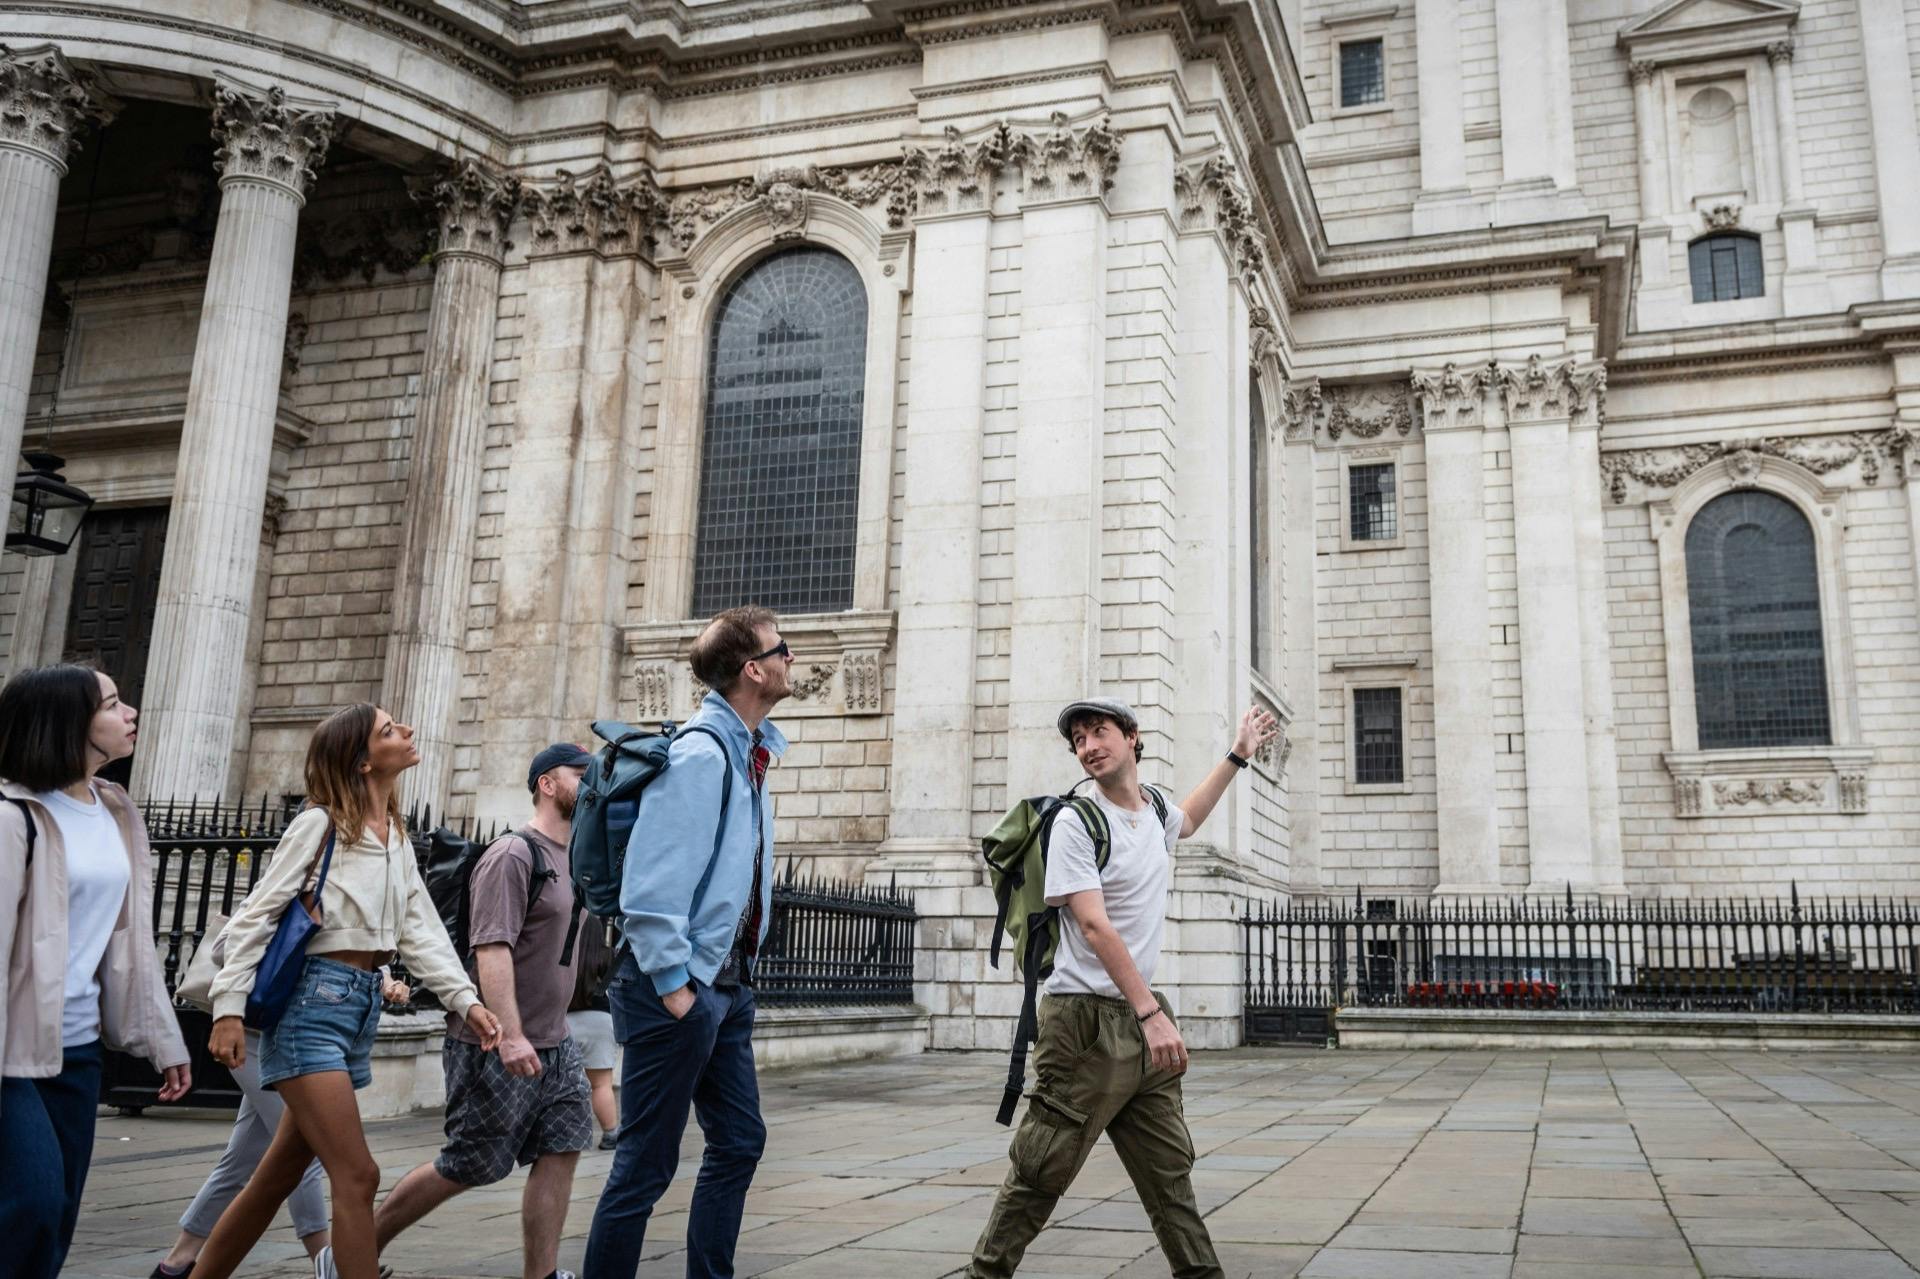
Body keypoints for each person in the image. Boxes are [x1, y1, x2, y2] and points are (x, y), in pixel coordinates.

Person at [968, 695, 1278, 1279]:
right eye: (1078, 740)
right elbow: (1093, 924)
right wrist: (1151, 1014)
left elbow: (1189, 818)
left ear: (1132, 736)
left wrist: (1238, 755)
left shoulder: (1154, 808)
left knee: (1170, 1178)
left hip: (1139, 1021)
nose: (1088, 747)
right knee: (1040, 1173)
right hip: (1083, 1025)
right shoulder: (1075, 823)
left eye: (1098, 731)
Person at [190, 704, 503, 1279]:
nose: (407, 731)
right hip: (312, 1005)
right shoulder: (320, 824)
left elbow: (419, 929)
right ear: (362, 761)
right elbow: (259, 913)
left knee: (277, 1176)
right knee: (358, 1175)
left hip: (358, 1006)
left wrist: (465, 999)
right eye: (389, 730)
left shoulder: (396, 835)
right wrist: (228, 1008)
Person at [584, 605, 792, 1278]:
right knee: (644, 1165)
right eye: (781, 649)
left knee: (738, 1142)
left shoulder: (749, 754)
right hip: (675, 990)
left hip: (724, 987)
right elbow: (652, 886)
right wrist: (677, 987)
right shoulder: (703, 754)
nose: (791, 658)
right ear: (753, 670)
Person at [372, 743, 595, 1279]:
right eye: (580, 774)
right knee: (469, 1162)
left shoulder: (576, 857)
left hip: (556, 1042)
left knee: (564, 1146)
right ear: (546, 784)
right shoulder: (513, 855)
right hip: (495, 1040)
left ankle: (541, 1275)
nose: (591, 783)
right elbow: (491, 948)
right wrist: (511, 1034)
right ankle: (354, 1251)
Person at [0, 664, 192, 1279]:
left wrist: (162, 1038)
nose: (130, 713)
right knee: (29, 1204)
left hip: (79, 1048)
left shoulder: (113, 809)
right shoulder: (13, 815)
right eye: (112, 704)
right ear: (69, 722)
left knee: (57, 1214)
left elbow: (129, 942)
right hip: (13, 1052)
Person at [149, 967, 412, 1279]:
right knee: (303, 1152)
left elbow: (356, 946)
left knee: (242, 1159)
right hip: (258, 1032)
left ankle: (176, 1263)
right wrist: (229, 1010)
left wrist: (387, 981)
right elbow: (233, 947)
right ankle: (326, 1259)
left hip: (289, 1028)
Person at [566, 914, 620, 1150]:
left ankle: (563, 1136)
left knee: (562, 1085)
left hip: (564, 1019)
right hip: (600, 1020)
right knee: (601, 1084)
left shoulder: (563, 950)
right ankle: (610, 1134)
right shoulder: (607, 951)